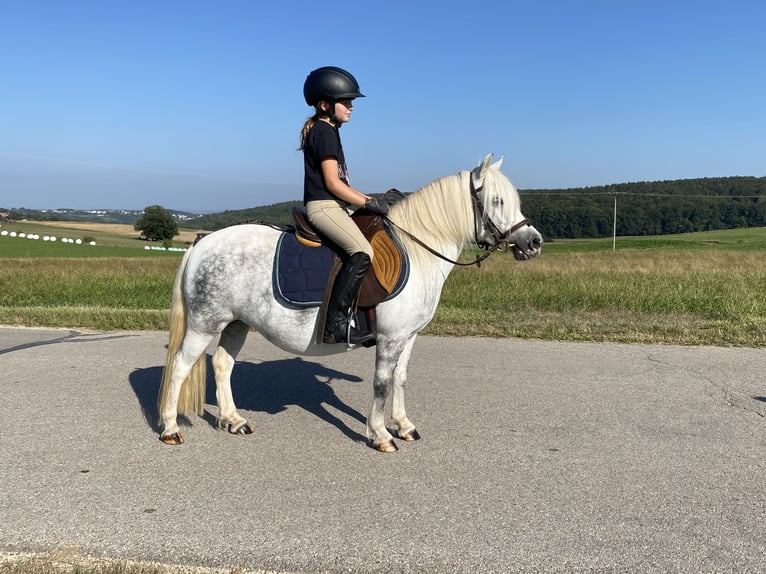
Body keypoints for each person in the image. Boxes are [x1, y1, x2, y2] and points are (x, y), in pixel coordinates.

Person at [300, 66, 389, 345]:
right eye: (346, 101)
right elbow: (333, 184)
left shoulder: (328, 129)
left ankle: (366, 315)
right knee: (361, 250)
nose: (351, 107)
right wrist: (368, 202)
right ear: (326, 104)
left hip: (335, 205)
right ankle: (335, 324)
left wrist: (370, 201)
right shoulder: (324, 132)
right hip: (324, 207)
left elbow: (343, 185)